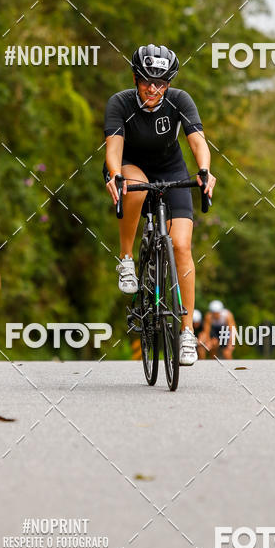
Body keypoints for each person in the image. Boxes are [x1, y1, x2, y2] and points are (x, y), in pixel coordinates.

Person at [103, 44, 215, 367]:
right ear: (135, 79)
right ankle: (127, 258)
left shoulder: (180, 100)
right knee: (136, 188)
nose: (153, 89)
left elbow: (197, 141)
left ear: (168, 83)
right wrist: (115, 174)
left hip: (171, 170)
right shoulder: (120, 103)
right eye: (147, 82)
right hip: (129, 167)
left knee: (181, 246)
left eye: (161, 83)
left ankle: (187, 332)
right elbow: (114, 148)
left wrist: (204, 170)